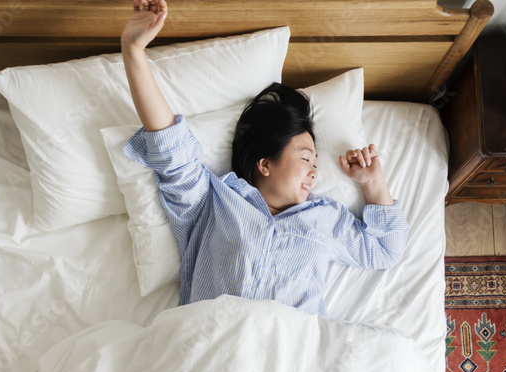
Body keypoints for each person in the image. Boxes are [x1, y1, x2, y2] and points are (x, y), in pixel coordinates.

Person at [120, 0, 410, 316]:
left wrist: (374, 183)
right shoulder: (213, 202)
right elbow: (169, 146)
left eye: (314, 163)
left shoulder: (324, 220)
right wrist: (133, 51)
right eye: (305, 159)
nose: (314, 172)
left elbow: (386, 251)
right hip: (213, 346)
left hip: (290, 352)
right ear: (265, 164)